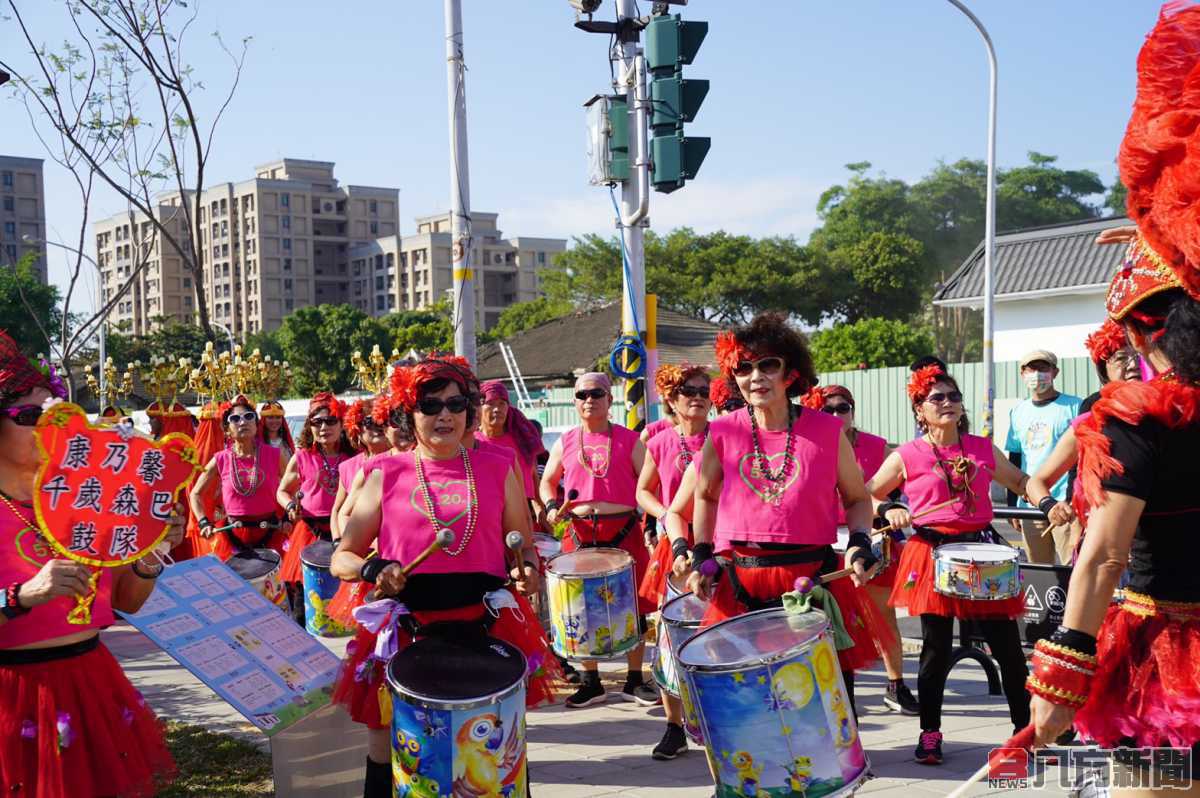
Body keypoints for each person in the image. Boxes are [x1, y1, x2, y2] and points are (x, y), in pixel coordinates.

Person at [1030, 11, 1200, 788]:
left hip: (1165, 662)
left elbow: (1100, 557)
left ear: (1139, 330)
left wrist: (1058, 683)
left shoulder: (1140, 415)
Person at [331, 357, 563, 798]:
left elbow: (524, 544)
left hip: (487, 625)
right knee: (391, 744)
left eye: (456, 404)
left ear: (469, 411)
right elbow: (343, 555)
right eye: (429, 405)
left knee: (501, 747)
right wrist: (373, 568)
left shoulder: (500, 465)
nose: (444, 415)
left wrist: (527, 568)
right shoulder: (384, 473)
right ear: (409, 414)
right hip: (409, 631)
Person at [680, 313, 890, 734]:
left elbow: (856, 499)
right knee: (744, 700)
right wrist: (701, 551)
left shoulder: (827, 431)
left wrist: (860, 542)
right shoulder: (721, 431)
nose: (755, 376)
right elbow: (703, 496)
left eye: (767, 365)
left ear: (790, 372)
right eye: (743, 367)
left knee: (824, 699)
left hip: (810, 580)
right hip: (739, 580)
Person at [0, 330, 182, 795]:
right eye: (27, 416)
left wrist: (152, 556)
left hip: (92, 681)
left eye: (55, 415)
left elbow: (127, 601)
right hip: (15, 695)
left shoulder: (86, 497)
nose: (46, 428)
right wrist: (22, 596)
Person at [867, 365, 1032, 765]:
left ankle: (1024, 732)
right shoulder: (906, 454)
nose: (947, 403)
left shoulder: (981, 448)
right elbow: (867, 495)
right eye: (936, 398)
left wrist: (1047, 502)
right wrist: (889, 509)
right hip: (933, 555)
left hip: (984, 555)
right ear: (919, 410)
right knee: (935, 650)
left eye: (953, 396)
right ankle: (929, 733)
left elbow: (1023, 482)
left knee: (1008, 649)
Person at [540, 371, 660, 708]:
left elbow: (650, 483)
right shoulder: (564, 441)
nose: (589, 400)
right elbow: (548, 482)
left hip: (623, 529)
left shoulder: (630, 440)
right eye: (582, 395)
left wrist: (652, 522)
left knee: (633, 606)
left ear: (610, 400)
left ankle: (634, 679)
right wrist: (551, 507)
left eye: (597, 394)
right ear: (575, 401)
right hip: (579, 533)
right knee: (579, 607)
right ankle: (591, 681)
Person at [820, 384, 919, 716]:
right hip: (824, 541)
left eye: (842, 407)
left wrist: (891, 508)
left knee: (882, 613)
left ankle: (895, 684)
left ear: (853, 409)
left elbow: (895, 490)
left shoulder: (876, 446)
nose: (836, 414)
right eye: (828, 409)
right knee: (831, 620)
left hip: (868, 538)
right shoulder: (810, 443)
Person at [635, 363, 710, 761]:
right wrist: (666, 515)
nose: (696, 396)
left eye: (702, 389)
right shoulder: (660, 443)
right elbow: (642, 491)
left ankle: (715, 720)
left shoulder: (726, 438)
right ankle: (674, 727)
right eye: (686, 391)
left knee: (717, 634)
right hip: (675, 550)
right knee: (671, 637)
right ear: (671, 399)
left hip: (717, 548)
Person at [1025, 319, 1139, 559]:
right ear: (1104, 369)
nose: (1133, 365)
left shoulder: (1168, 412)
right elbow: (1037, 481)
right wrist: (1051, 505)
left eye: (1138, 355)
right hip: (1100, 538)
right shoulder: (1092, 412)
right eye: (1121, 358)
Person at [277, 394, 355, 625]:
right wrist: (291, 505)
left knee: (349, 596)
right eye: (316, 422)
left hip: (346, 531)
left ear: (342, 424)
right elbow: (282, 491)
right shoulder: (302, 457)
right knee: (305, 599)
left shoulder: (354, 456)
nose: (323, 427)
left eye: (331, 421)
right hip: (310, 533)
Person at [189, 396, 292, 561]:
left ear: (256, 423)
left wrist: (288, 516)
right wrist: (203, 522)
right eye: (235, 419)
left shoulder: (275, 455)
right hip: (231, 537)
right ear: (227, 429)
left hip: (271, 533)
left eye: (248, 417)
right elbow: (195, 494)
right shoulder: (220, 459)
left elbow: (294, 486)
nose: (242, 422)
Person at [1003, 349, 1081, 564]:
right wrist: (1014, 506)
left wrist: (1074, 497)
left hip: (1066, 506)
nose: (1036, 374)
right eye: (1031, 369)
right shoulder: (1018, 411)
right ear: (1022, 374)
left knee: (1073, 567)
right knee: (1040, 573)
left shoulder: (1074, 406)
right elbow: (1015, 458)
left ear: (1055, 372)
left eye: (1043, 368)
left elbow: (1082, 455)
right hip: (1031, 504)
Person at [478, 381, 545, 514]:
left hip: (522, 510)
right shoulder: (471, 441)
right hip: (486, 512)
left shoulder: (521, 440)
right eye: (490, 403)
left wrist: (539, 508)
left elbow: (532, 475)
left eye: (502, 403)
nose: (497, 409)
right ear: (479, 407)